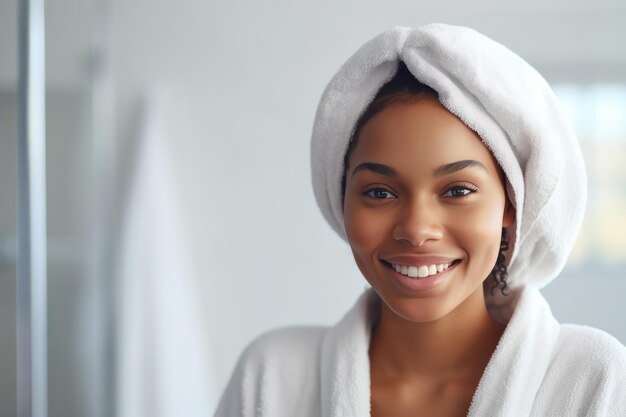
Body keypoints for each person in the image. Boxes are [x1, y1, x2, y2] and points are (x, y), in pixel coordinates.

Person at [214, 24, 626, 417]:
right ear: (343, 203)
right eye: (379, 192)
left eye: (458, 191)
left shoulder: (593, 378)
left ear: (510, 207)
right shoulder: (273, 378)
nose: (415, 229)